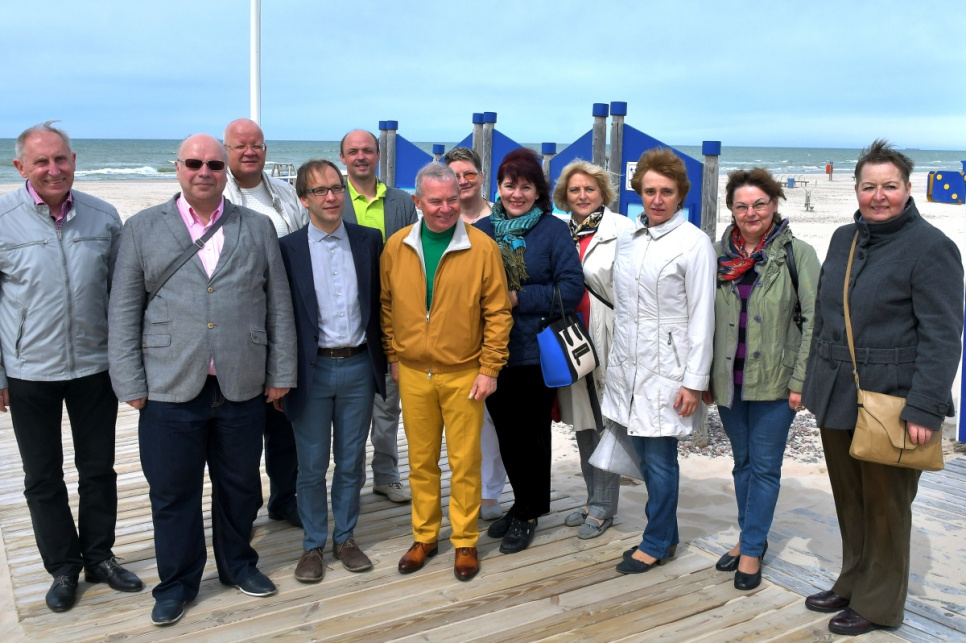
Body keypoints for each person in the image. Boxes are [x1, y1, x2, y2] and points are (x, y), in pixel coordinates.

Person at [108, 134, 297, 627]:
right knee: (173, 493)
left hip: (242, 381)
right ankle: (177, 583)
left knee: (240, 486)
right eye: (194, 163)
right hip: (168, 385)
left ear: (225, 171)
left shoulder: (256, 226)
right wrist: (129, 381)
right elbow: (123, 310)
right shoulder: (142, 227)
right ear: (178, 168)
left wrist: (281, 372)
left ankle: (239, 566)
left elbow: (278, 305)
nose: (204, 172)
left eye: (214, 164)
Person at [801, 140, 964, 635]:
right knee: (850, 500)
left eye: (889, 186)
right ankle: (853, 580)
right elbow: (826, 317)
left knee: (887, 508)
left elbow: (942, 336)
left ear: (908, 189)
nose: (878, 196)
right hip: (838, 394)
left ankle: (879, 604)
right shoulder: (843, 238)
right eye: (869, 186)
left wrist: (926, 408)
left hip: (894, 398)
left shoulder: (932, 248)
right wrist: (812, 386)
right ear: (856, 189)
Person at [0, 122, 143, 613]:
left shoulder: (103, 217)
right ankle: (63, 567)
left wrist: (127, 362)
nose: (53, 169)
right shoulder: (3, 218)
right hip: (28, 370)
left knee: (98, 469)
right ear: (21, 167)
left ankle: (99, 557)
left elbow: (123, 298)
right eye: (41, 161)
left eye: (60, 158)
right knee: (42, 477)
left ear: (74, 161)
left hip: (94, 368)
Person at [382, 163, 512, 580]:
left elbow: (498, 312)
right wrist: (394, 356)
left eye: (452, 199)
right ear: (417, 201)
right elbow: (387, 305)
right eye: (435, 201)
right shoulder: (397, 245)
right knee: (420, 462)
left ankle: (465, 540)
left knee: (464, 462)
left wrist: (490, 368)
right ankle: (424, 536)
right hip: (413, 372)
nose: (445, 208)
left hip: (464, 372)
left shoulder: (482, 247)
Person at [702, 168, 820, 590]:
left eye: (760, 204)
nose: (751, 213)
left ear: (774, 204)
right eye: (742, 206)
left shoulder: (798, 254)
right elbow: (703, 319)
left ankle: (752, 548)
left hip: (776, 381)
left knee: (765, 468)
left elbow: (814, 321)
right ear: (731, 209)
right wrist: (704, 376)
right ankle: (749, 534)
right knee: (742, 464)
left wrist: (800, 380)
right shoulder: (716, 255)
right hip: (729, 379)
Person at [600, 147, 716, 574]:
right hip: (629, 365)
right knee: (645, 456)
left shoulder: (694, 243)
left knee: (660, 457)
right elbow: (624, 309)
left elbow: (702, 318)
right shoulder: (629, 240)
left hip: (668, 369)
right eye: (650, 191)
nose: (657, 199)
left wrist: (694, 381)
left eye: (666, 191)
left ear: (680, 193)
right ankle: (667, 536)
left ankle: (654, 541)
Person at [278, 159, 386, 582]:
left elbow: (382, 304)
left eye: (336, 188)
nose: (330, 197)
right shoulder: (287, 249)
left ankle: (346, 538)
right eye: (319, 190)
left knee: (351, 461)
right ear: (303, 199)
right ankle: (313, 545)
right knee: (310, 465)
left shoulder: (368, 240)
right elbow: (278, 316)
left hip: (359, 366)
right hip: (312, 372)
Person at [476, 148, 584, 554]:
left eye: (526, 186)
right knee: (506, 434)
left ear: (538, 191)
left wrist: (518, 297)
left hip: (537, 350)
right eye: (509, 185)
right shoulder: (482, 230)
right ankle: (521, 503)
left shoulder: (552, 230)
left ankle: (529, 513)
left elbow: (570, 288)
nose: (516, 194)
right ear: (498, 188)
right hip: (493, 350)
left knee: (532, 436)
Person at [224, 117, 309, 529]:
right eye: (240, 145)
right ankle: (241, 509)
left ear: (265, 150)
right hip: (237, 327)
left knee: (284, 422)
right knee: (239, 430)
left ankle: (284, 497)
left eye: (256, 144)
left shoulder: (286, 194)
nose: (249, 151)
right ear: (226, 150)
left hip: (285, 321)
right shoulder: (216, 194)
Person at [552, 160, 634, 540]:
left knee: (607, 423)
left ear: (603, 192)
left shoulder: (623, 230)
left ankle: (604, 507)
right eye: (575, 189)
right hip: (571, 337)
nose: (582, 195)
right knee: (583, 421)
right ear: (564, 195)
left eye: (590, 188)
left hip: (608, 336)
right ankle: (592, 499)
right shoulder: (560, 231)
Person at [340, 129, 418, 504]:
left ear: (378, 155)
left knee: (388, 406)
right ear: (343, 158)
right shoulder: (333, 199)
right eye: (353, 151)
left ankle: (386, 475)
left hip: (391, 318)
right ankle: (349, 481)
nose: (361, 156)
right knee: (349, 412)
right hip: (345, 321)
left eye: (367, 150)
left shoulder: (401, 201)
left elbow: (413, 256)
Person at [444, 146, 506, 522]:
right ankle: (464, 486)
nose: (463, 181)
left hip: (495, 332)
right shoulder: (441, 218)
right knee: (463, 421)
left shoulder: (501, 218)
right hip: (454, 337)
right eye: (455, 175)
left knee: (492, 421)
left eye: (469, 173)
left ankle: (490, 492)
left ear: (482, 177)